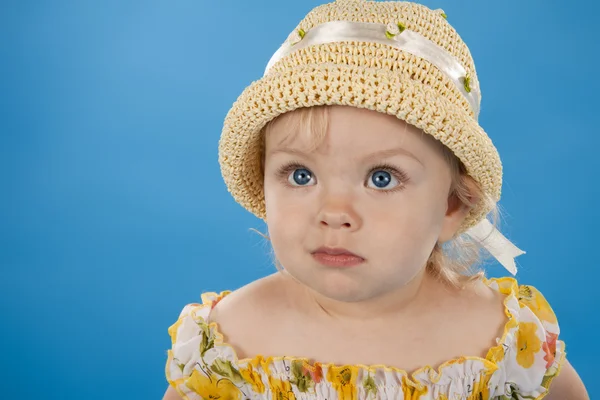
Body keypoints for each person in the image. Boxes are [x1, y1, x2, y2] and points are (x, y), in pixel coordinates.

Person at [163, 1, 588, 398]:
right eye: (301, 174)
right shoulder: (227, 340)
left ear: (451, 206)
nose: (334, 214)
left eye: (381, 178)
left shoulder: (505, 340)